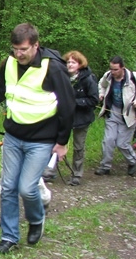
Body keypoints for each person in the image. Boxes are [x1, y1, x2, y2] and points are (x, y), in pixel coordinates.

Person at [0, 23, 75, 254]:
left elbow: (68, 106)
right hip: (13, 136)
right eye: (15, 49)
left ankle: (36, 219)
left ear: (35, 45)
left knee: (27, 188)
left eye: (23, 49)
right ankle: (9, 237)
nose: (18, 54)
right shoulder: (9, 64)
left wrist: (61, 143)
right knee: (8, 187)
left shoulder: (53, 69)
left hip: (42, 140)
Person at [42, 51, 99, 185]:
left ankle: (76, 174)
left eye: (73, 62)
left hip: (82, 119)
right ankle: (50, 171)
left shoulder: (88, 79)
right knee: (55, 143)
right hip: (62, 117)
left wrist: (74, 102)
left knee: (78, 146)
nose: (70, 64)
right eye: (68, 62)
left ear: (80, 64)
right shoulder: (61, 77)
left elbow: (93, 100)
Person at [94, 56, 136, 176]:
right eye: (111, 69)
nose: (113, 72)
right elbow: (101, 85)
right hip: (112, 112)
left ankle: (133, 161)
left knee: (122, 144)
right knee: (108, 140)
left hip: (129, 115)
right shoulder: (108, 76)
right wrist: (101, 94)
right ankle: (105, 166)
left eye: (115, 70)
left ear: (122, 68)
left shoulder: (134, 78)